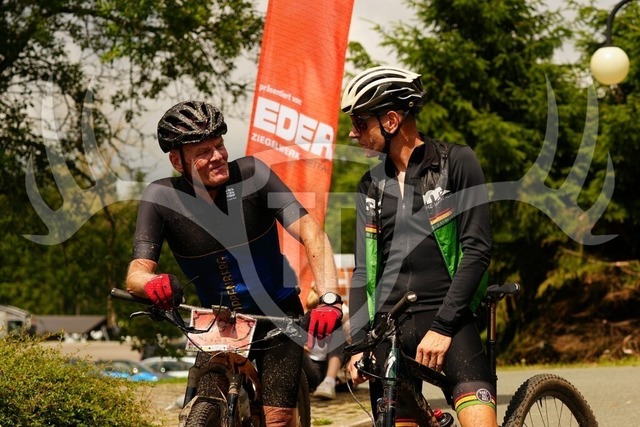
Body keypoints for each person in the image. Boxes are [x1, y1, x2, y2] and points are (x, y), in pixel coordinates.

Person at [124, 101, 343, 427]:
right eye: (203, 151)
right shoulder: (161, 198)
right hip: (218, 322)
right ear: (177, 160)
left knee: (278, 420)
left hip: (277, 315)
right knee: (205, 403)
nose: (217, 156)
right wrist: (152, 284)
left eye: (219, 145)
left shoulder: (254, 175)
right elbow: (136, 273)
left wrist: (329, 298)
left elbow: (312, 233)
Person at [341, 66, 496, 427]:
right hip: (388, 329)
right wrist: (361, 343)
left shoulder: (455, 162)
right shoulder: (369, 185)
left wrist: (443, 327)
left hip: (449, 319)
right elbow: (363, 271)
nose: (352, 133)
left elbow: (477, 250)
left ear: (391, 120)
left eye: (360, 122)